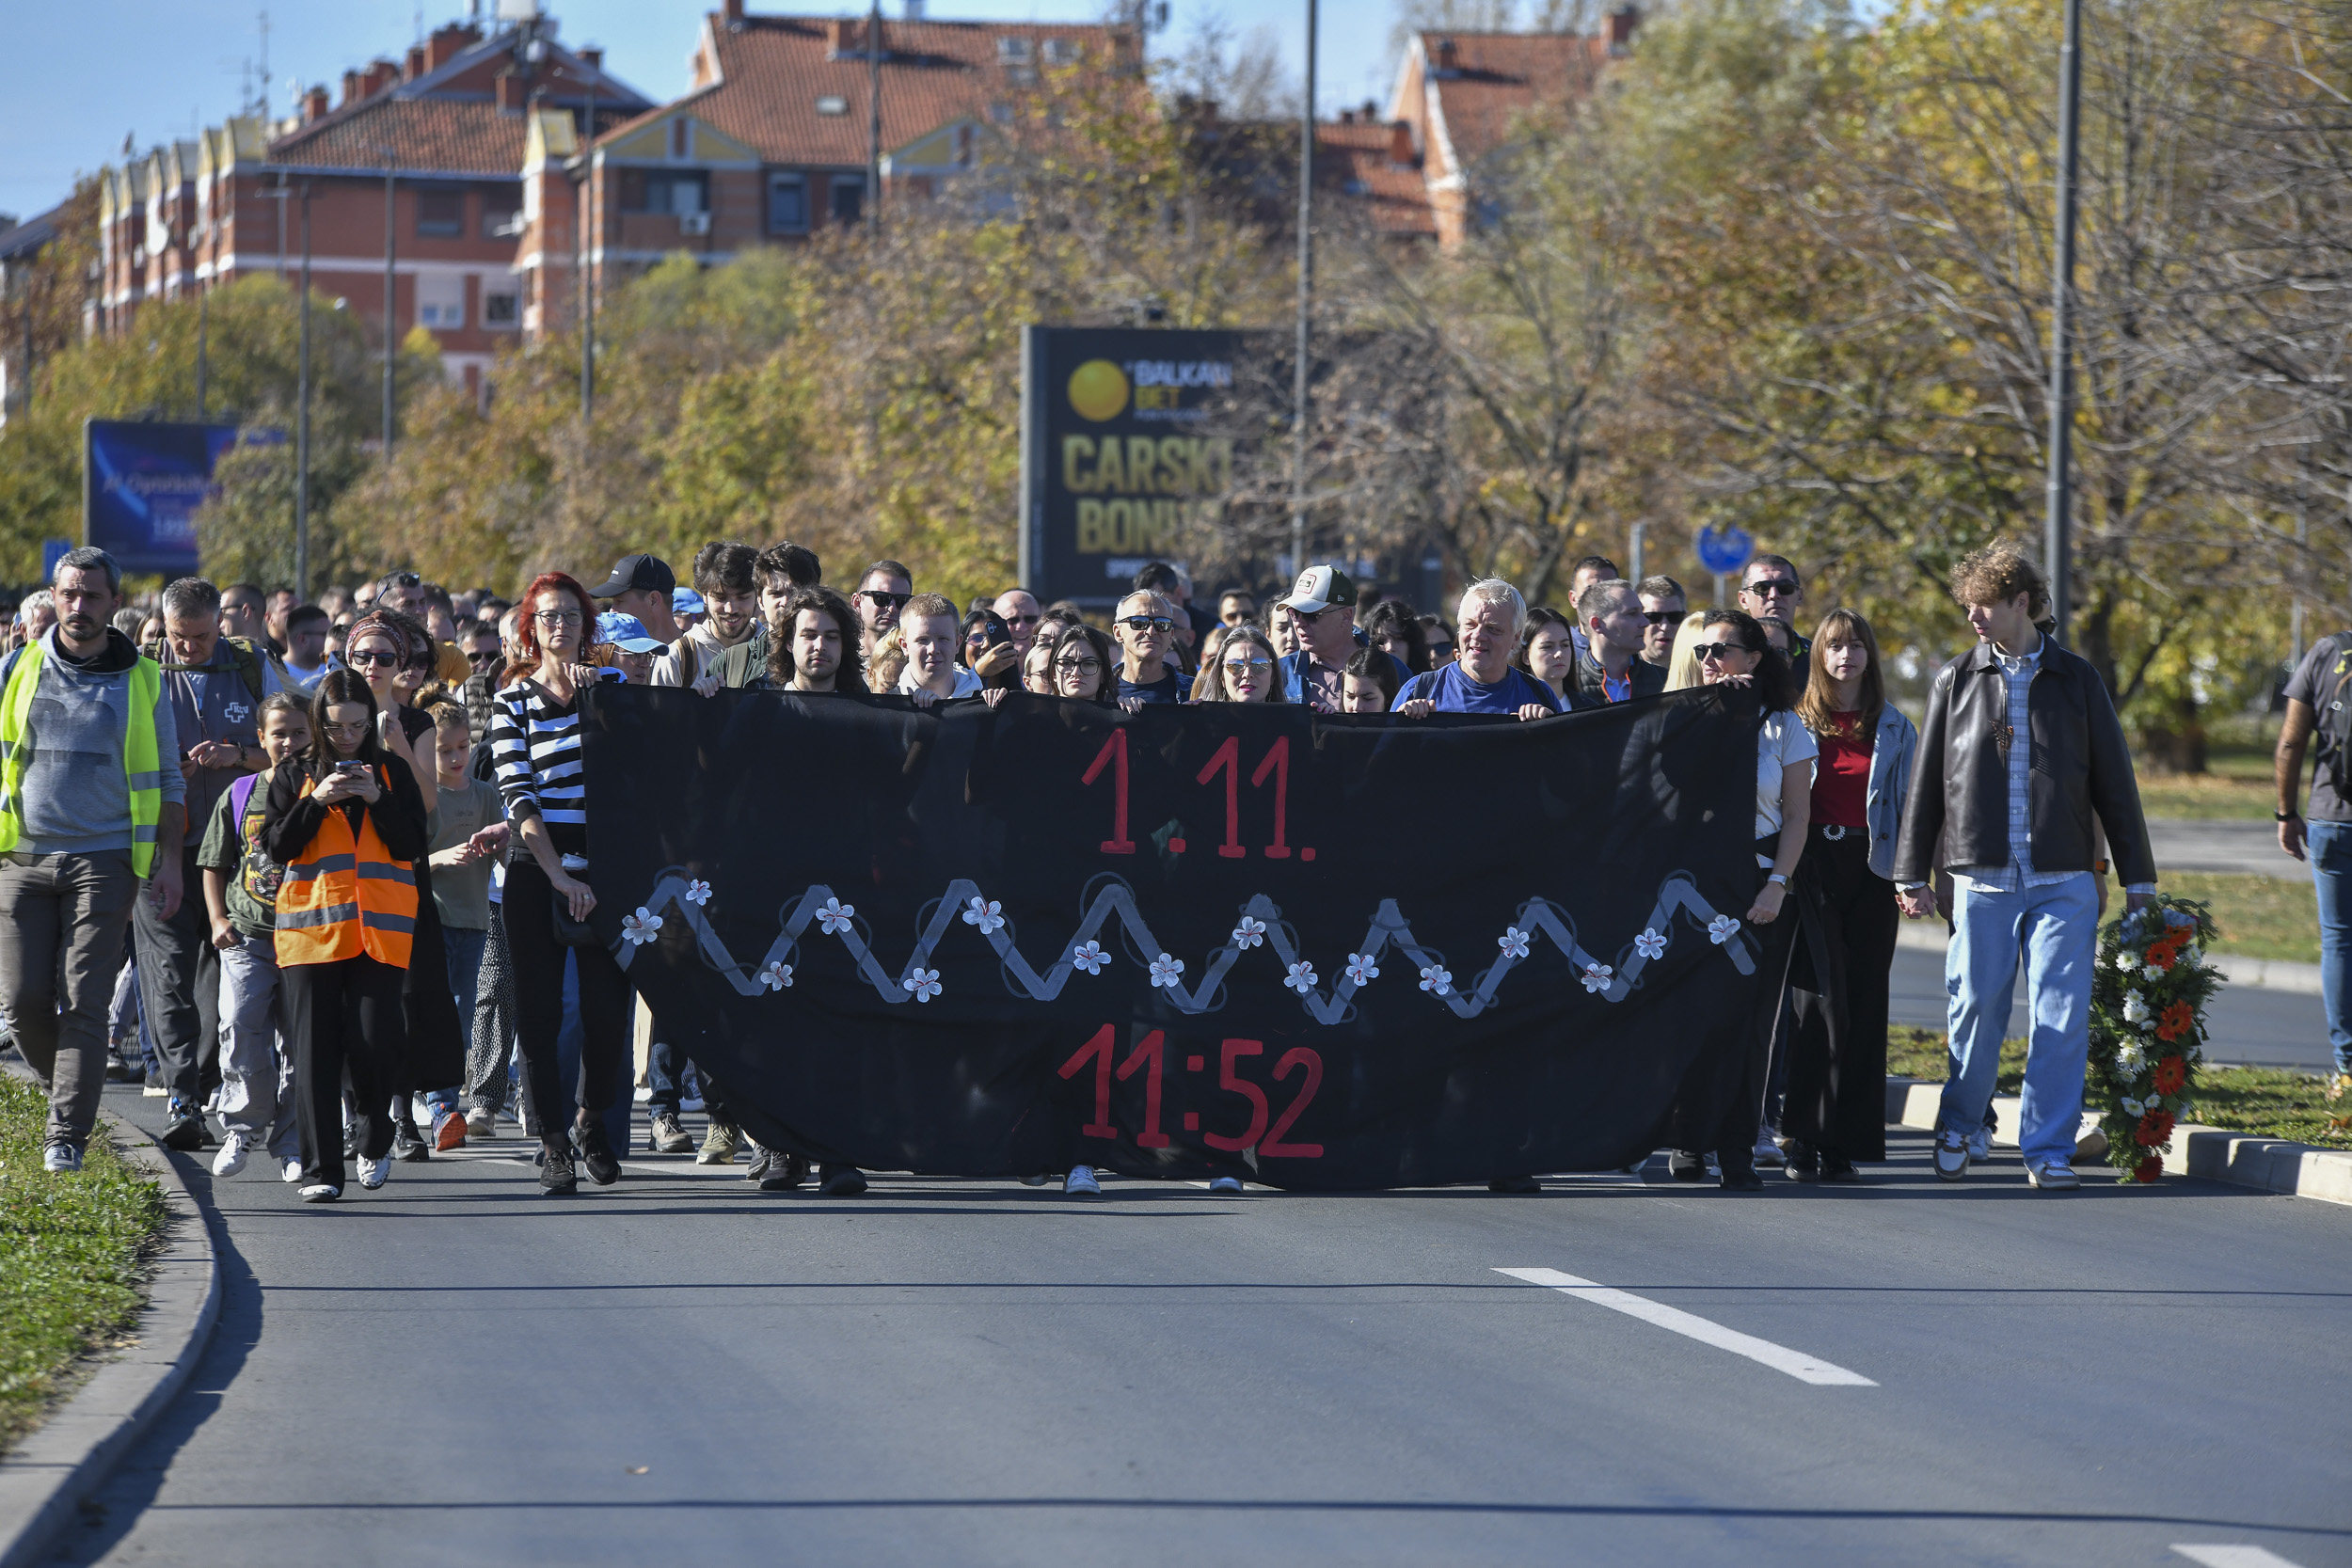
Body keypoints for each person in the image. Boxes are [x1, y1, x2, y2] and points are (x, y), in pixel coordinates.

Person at [1893, 546, 2156, 1191]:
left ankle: (2047, 1146)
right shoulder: (1955, 679)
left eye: (1985, 603)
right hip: (1980, 875)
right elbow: (1928, 783)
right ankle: (1959, 1121)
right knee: (1978, 1007)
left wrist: (2137, 878)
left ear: (2022, 602)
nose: (1973, 615)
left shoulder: (2078, 679)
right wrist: (1910, 872)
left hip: (2062, 876)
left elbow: (2115, 783)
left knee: (2062, 1013)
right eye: (1968, 604)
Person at [0, 547, 184, 1174]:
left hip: (106, 859)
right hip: (22, 857)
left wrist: (170, 863)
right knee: (22, 1003)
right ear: (53, 595)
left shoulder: (144, 679)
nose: (78, 607)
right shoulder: (16, 667)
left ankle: (67, 1136)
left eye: (92, 596)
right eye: (68, 594)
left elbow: (168, 778)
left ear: (113, 603)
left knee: (85, 1001)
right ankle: (75, 1096)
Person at [489, 573, 636, 1196]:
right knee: (541, 1014)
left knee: (608, 1016)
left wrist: (600, 696)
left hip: (609, 867)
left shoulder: (612, 689)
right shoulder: (512, 701)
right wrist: (556, 876)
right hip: (537, 865)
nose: (560, 626)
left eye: (571, 615)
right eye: (548, 616)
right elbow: (518, 794)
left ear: (586, 625)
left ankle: (590, 1118)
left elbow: (656, 742)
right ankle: (552, 1143)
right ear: (531, 629)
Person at [263, 671, 430, 1201]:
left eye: (358, 726)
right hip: (311, 933)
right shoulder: (293, 774)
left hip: (380, 931)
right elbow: (278, 847)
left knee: (375, 1044)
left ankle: (374, 1137)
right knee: (313, 1051)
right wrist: (317, 800)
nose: (348, 737)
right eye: (336, 728)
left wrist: (377, 799)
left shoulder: (393, 771)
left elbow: (411, 845)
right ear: (319, 722)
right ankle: (320, 1172)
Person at [1665, 610, 1814, 1192]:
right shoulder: (1680, 720)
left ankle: (1735, 1150)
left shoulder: (1785, 728)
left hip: (1760, 886)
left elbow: (1798, 817)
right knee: (1693, 1018)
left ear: (1753, 660)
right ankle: (1688, 1138)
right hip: (1696, 891)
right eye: (1703, 652)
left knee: (1750, 1026)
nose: (1709, 661)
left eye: (1722, 651)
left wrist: (1777, 885)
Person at [140, 576, 282, 1151]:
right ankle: (182, 1098)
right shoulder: (143, 671)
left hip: (236, 861)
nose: (188, 648)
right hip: (163, 851)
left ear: (218, 623)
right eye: (178, 636)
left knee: (218, 980)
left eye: (199, 636)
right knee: (168, 974)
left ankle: (202, 1087)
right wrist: (167, 768)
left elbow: (290, 743)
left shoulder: (250, 667)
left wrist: (237, 756)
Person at [1778, 610, 1916, 1182]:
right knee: (1819, 999)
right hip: (1812, 866)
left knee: (1863, 1000)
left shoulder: (1895, 726)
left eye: (1857, 646)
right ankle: (1803, 1134)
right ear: (1819, 656)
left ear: (1870, 657)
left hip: (1874, 868)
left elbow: (1913, 807)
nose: (1846, 656)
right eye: (1835, 646)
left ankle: (1844, 1141)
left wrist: (1915, 877)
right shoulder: (1795, 722)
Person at [345, 611, 468, 1155]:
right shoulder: (330, 715)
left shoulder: (415, 725)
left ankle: (404, 1116)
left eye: (386, 658)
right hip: (341, 874)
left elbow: (429, 804)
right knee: (348, 997)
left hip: (399, 871)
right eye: (363, 657)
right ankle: (354, 1114)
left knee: (404, 995)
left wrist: (393, 743)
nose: (374, 667)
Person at [197, 690, 310, 1181]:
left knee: (300, 1046)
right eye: (279, 733)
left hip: (309, 939)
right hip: (249, 936)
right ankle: (242, 1128)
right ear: (261, 739)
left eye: (300, 732)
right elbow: (214, 862)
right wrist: (218, 919)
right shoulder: (242, 793)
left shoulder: (323, 791)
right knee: (242, 1027)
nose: (289, 742)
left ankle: (291, 1142)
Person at [422, 700, 507, 1150]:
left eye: (463, 747)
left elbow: (507, 853)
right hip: (432, 921)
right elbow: (407, 859)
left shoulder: (486, 795)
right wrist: (439, 858)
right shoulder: (425, 796)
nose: (456, 758)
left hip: (474, 921)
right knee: (432, 1011)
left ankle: (443, 1103)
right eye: (444, 750)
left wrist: (500, 842)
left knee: (462, 1013)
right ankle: (436, 1101)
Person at [2276, 626, 2352, 1101]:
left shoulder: (2327, 652)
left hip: (2332, 818)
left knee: (2340, 942)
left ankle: (2346, 1069)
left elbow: (2291, 743)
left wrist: (2286, 813)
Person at [1391, 581, 1561, 721]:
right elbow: (1384, 759)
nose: (1478, 636)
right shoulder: (1417, 691)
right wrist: (1403, 725)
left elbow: (1568, 760)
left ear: (1516, 639)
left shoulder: (1541, 696)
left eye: (1493, 629)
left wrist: (1546, 732)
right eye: (1470, 625)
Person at [1278, 566, 1410, 712]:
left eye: (1311, 614)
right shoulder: (1281, 672)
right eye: (1294, 613)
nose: (1299, 622)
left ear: (1346, 616)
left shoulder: (1395, 668)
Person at [654, 542, 765, 690]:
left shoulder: (777, 653)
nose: (731, 609)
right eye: (720, 598)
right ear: (704, 596)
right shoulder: (677, 658)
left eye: (742, 597)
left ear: (758, 596)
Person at [1572, 578, 1667, 707]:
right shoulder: (1566, 684)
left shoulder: (1664, 680)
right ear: (1597, 624)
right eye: (1632, 614)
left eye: (1642, 612)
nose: (1645, 623)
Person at [373, 571, 473, 684]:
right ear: (384, 610)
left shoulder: (451, 658)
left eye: (422, 602)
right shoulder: (368, 656)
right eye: (408, 604)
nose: (419, 611)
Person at [901, 594, 984, 701]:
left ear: (957, 643)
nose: (933, 650)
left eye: (943, 639)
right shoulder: (887, 711)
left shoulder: (986, 707)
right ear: (905, 646)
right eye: (922, 640)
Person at [588, 554, 680, 646]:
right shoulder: (616, 657)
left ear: (653, 600)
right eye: (613, 602)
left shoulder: (693, 653)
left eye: (620, 601)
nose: (612, 611)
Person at [1738, 557, 1809, 675]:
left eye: (1785, 587)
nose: (1774, 595)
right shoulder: (1728, 657)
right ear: (1743, 599)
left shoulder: (1821, 657)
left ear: (1800, 596)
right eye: (1762, 588)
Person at [1111, 590, 1184, 705]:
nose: (1151, 631)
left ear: (1171, 635)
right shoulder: (1098, 691)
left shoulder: (1195, 692)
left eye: (1162, 624)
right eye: (1139, 623)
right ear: (1118, 633)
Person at [1200, 626, 1285, 704]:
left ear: (1273, 675)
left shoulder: (1292, 720)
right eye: (1235, 665)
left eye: (1259, 665)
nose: (1247, 674)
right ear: (1222, 677)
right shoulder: (1204, 720)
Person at [1564, 555, 1619, 663]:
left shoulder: (1633, 648)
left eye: (1608, 590)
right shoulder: (1560, 650)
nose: (1600, 598)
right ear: (1574, 599)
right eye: (1590, 591)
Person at [1518, 607, 1578, 707]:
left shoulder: (1589, 708)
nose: (1559, 653)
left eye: (1565, 645)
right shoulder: (1511, 709)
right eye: (1548, 646)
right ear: (1526, 656)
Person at [851, 560, 913, 657]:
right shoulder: (837, 659)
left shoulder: (916, 663)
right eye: (881, 598)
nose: (892, 608)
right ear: (857, 602)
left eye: (902, 600)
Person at [1046, 625, 1118, 705]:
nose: (1076, 673)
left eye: (1088, 664)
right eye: (1066, 663)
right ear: (1054, 673)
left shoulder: (1124, 715)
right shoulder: (1033, 716)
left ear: (1103, 674)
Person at [595, 612, 666, 684]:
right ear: (600, 653)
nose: (645, 664)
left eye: (648, 655)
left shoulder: (651, 694)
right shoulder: (585, 694)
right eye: (635, 654)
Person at [1364, 599, 1430, 675]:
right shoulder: (1355, 683)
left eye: (1398, 639)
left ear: (1412, 645)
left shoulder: (1429, 685)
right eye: (1381, 640)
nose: (1390, 648)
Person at [1636, 575, 1687, 670]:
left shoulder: (1701, 672)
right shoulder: (1618, 676)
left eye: (1674, 617)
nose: (1665, 627)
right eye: (1654, 617)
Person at [281, 605, 331, 690]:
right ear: (302, 639)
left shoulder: (331, 670)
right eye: (325, 634)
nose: (330, 640)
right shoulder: (279, 675)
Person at [1341, 646, 1399, 713]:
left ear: (1387, 698)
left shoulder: (1402, 722)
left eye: (1368, 698)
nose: (1356, 707)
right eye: (1350, 697)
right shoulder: (1333, 721)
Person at [992, 589, 1043, 660]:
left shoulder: (1055, 667)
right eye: (1012, 620)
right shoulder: (981, 669)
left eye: (1030, 619)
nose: (1022, 627)